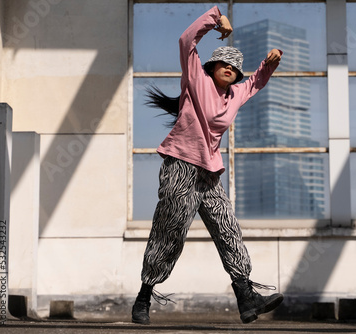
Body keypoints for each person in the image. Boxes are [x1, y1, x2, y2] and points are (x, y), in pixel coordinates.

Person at [131, 5, 283, 325]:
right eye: (223, 63)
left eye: (234, 67)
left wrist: (269, 63)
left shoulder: (235, 95)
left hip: (210, 173)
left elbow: (256, 82)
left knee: (229, 230)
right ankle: (144, 295)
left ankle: (246, 297)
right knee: (170, 233)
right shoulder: (196, 80)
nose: (229, 68)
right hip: (181, 167)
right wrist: (215, 18)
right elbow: (187, 41)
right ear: (212, 66)